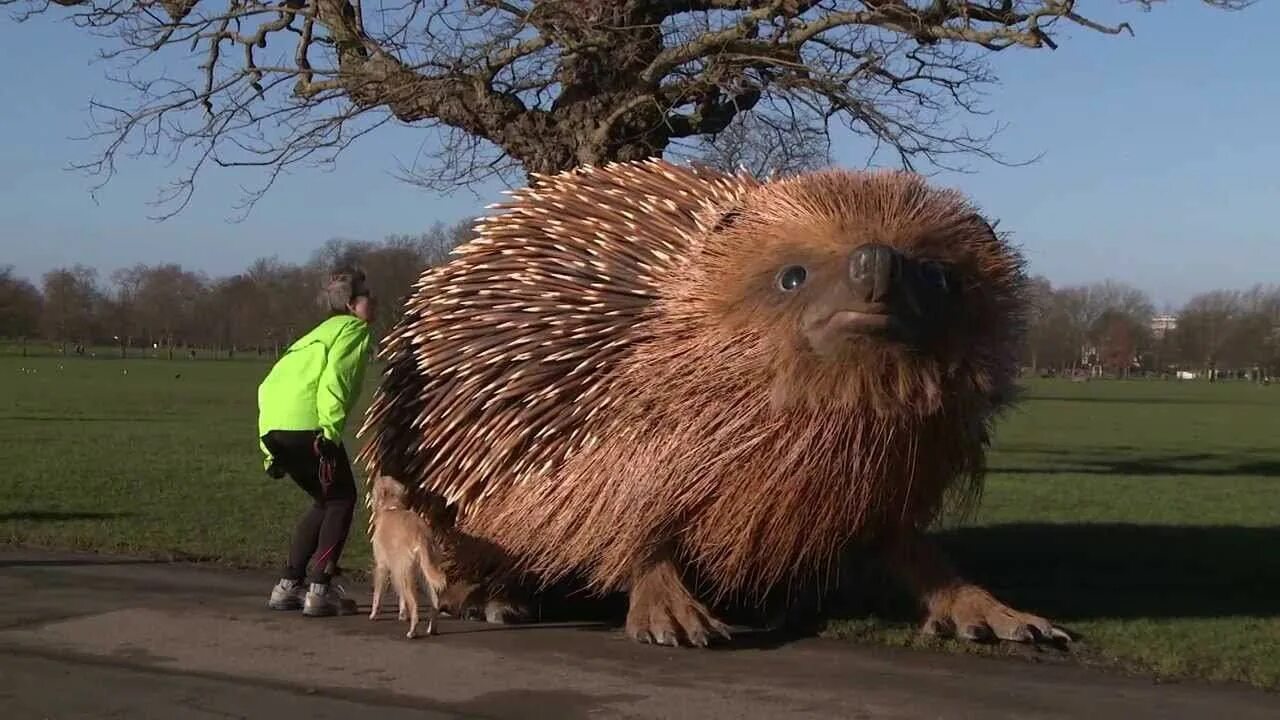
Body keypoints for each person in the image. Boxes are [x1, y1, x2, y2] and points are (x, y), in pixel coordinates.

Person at [257, 267, 376, 616]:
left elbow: (269, 385)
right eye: (368, 296)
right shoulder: (353, 330)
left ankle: (288, 586)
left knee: (324, 501)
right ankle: (320, 589)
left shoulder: (313, 335)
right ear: (352, 305)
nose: (374, 302)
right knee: (342, 499)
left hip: (276, 430)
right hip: (312, 427)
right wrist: (329, 431)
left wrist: (268, 450)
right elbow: (335, 381)